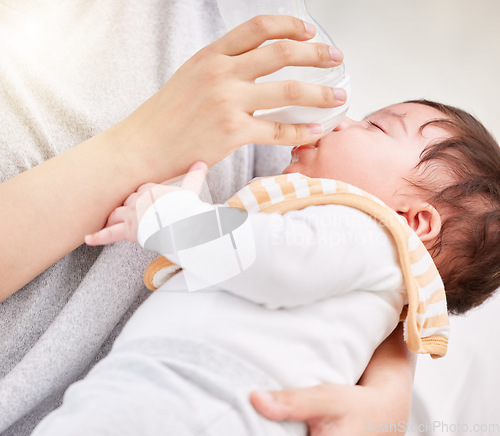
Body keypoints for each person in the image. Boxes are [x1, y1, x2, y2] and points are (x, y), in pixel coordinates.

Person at [0, 2, 413, 435]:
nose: (345, 125)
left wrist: (391, 384)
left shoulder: (244, 26)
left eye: (375, 126)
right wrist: (143, 147)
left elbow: (361, 235)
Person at [31, 100, 500, 434]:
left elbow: (274, 261)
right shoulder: (353, 250)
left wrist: (169, 220)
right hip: (164, 386)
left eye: (376, 128)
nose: (344, 122)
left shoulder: (371, 232)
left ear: (414, 221)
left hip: (211, 402)